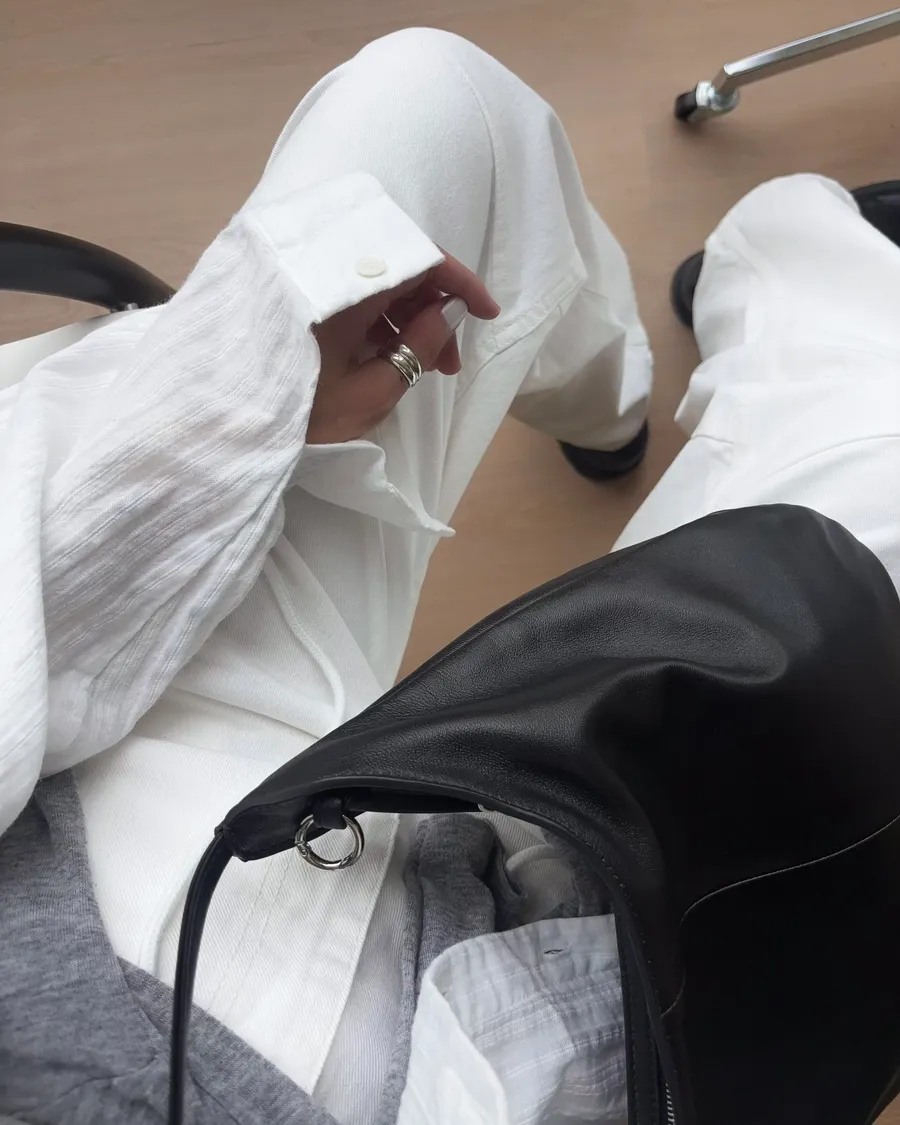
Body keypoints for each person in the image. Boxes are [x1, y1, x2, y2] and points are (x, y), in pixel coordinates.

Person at [2, 25, 900, 1125]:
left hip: (68, 814)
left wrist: (236, 401)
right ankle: (784, 265)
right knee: (859, 485)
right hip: (404, 1060)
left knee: (432, 109)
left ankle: (618, 387)